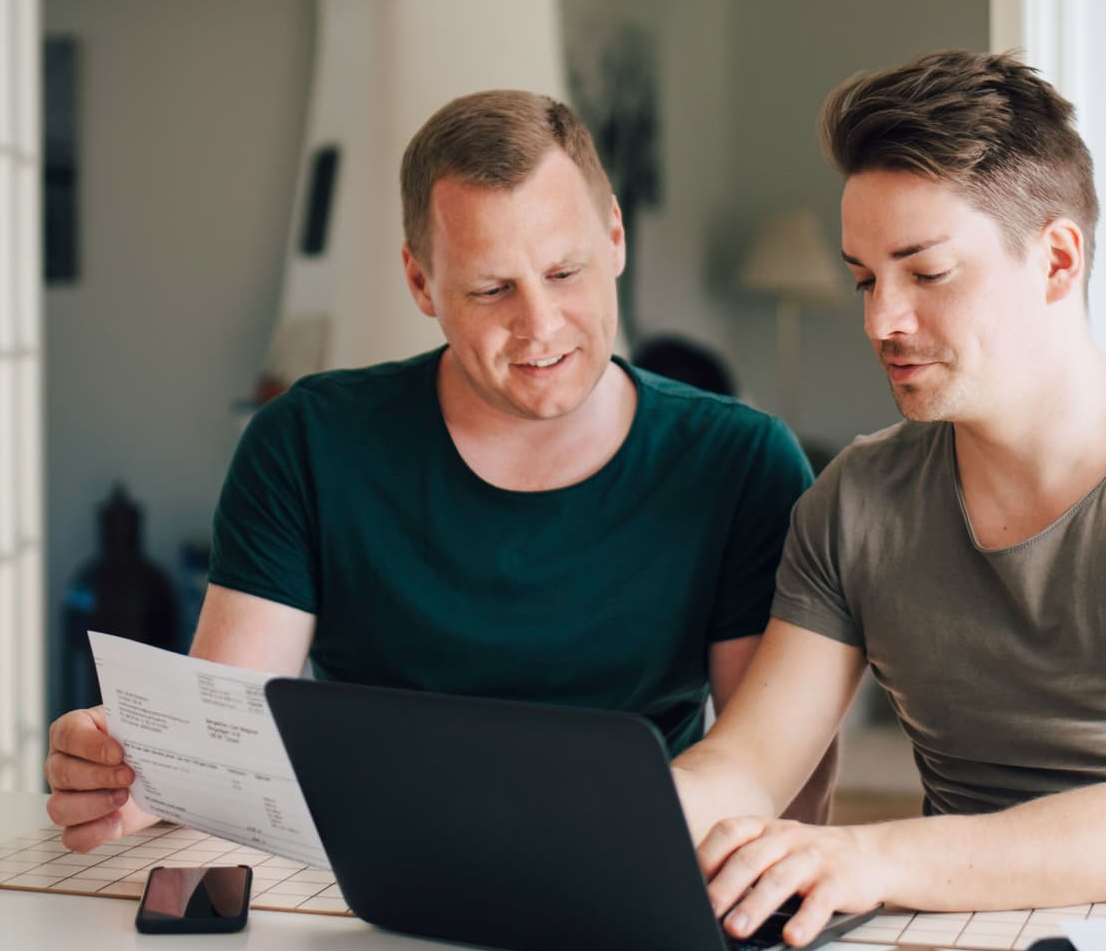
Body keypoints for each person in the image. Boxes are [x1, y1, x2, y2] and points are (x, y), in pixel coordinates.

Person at [44, 90, 833, 852]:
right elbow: (222, 746)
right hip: (367, 882)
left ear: (616, 238)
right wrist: (130, 774)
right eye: (492, 289)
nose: (541, 326)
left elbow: (775, 789)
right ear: (421, 282)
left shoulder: (741, 463)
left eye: (566, 273)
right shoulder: (309, 443)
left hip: (631, 865)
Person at [671, 50, 1106, 949]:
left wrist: (867, 856)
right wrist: (613, 827)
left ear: (1057, 260)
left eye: (926, 274)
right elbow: (749, 763)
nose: (880, 322)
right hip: (956, 946)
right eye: (865, 277)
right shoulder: (854, 500)